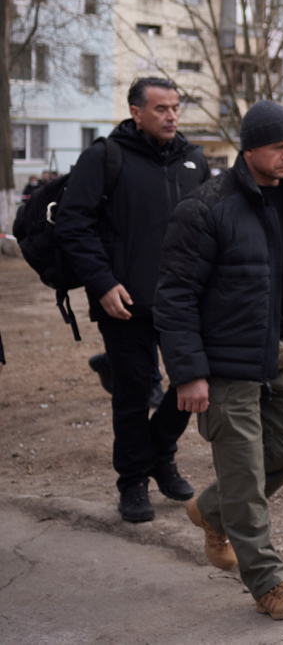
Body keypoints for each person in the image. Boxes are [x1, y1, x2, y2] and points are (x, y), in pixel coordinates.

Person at [154, 100, 283, 621]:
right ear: (249, 147)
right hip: (226, 365)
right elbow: (177, 296)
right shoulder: (206, 207)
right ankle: (268, 583)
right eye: (279, 147)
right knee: (245, 479)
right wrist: (188, 371)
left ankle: (210, 511)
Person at [55, 77, 209, 523]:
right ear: (136, 112)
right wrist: (102, 283)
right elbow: (72, 225)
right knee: (133, 393)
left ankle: (159, 456)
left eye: (176, 107)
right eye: (161, 108)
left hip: (183, 303)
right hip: (124, 303)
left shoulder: (194, 161)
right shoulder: (106, 157)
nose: (171, 116)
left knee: (191, 385)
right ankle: (133, 482)